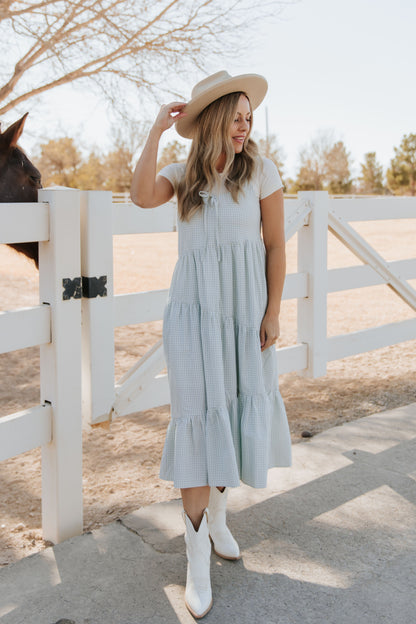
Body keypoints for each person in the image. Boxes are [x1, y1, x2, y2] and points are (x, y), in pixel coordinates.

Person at [130, 70, 292, 618]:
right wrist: (156, 129)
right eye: (237, 117)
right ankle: (196, 564)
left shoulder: (263, 173)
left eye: (250, 118)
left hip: (246, 315)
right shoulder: (182, 177)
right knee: (199, 420)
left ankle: (219, 519)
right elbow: (137, 194)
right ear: (216, 118)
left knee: (231, 414)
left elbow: (275, 248)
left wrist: (271, 312)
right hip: (192, 316)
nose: (245, 127)